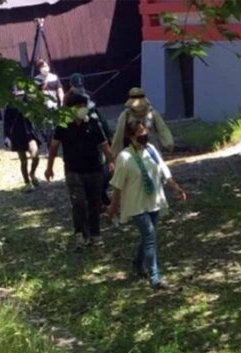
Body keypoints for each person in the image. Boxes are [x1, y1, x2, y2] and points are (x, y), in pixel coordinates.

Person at [107, 120, 187, 290]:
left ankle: (137, 264)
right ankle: (155, 277)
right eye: (140, 133)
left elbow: (164, 171)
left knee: (147, 237)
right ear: (131, 136)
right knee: (150, 236)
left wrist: (176, 188)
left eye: (145, 131)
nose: (144, 135)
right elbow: (118, 186)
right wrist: (113, 207)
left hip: (153, 201)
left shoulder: (151, 150)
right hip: (136, 205)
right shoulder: (124, 157)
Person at [45, 92, 115, 251]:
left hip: (95, 170)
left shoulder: (93, 123)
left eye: (84, 105)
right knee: (78, 204)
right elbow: (54, 147)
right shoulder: (63, 124)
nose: (82, 108)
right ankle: (81, 235)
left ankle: (95, 234)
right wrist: (49, 167)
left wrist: (111, 161)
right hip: (73, 171)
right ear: (70, 108)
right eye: (78, 106)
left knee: (95, 203)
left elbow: (104, 145)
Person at [68, 73, 114, 206]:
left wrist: (107, 134)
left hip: (96, 130)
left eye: (80, 85)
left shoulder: (89, 94)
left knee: (106, 169)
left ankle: (101, 191)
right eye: (76, 86)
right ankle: (96, 196)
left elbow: (99, 116)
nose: (79, 88)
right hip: (82, 136)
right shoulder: (68, 98)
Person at [111, 88, 173, 155]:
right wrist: (115, 153)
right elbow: (119, 134)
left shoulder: (152, 113)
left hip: (152, 149)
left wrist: (168, 143)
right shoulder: (126, 115)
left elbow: (162, 129)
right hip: (133, 151)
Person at [3, 90, 42, 191]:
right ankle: (27, 182)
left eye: (21, 94)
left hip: (29, 134)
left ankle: (32, 173)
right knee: (23, 160)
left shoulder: (28, 104)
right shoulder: (10, 106)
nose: (19, 97)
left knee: (35, 155)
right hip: (17, 135)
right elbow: (6, 123)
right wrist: (7, 137)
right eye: (17, 95)